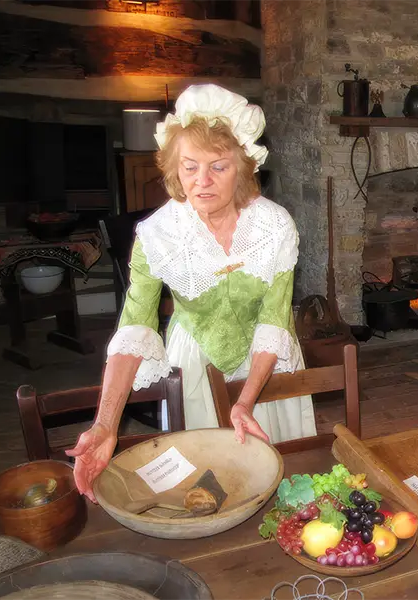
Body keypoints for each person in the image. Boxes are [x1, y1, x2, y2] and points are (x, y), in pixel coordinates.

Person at [67, 84, 317, 502]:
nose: (202, 182)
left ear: (243, 167)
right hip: (195, 365)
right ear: (174, 169)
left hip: (267, 366)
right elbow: (134, 328)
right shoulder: (157, 236)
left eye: (218, 166)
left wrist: (245, 401)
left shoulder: (275, 226)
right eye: (189, 167)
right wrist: (106, 423)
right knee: (206, 486)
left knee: (280, 479)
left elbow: (274, 319)